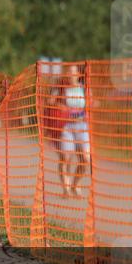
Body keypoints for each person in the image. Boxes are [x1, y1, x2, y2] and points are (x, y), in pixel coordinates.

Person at [49, 64, 90, 197]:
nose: (70, 75)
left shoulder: (84, 88)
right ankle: (66, 188)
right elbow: (50, 101)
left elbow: (92, 103)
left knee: (85, 159)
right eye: (68, 72)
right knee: (66, 157)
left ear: (78, 74)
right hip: (67, 126)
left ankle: (75, 184)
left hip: (82, 126)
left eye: (73, 72)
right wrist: (60, 105)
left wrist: (90, 108)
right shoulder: (62, 88)